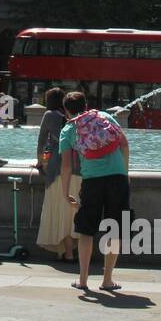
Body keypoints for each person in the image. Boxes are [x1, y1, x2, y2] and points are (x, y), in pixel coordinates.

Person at [59, 91, 130, 291]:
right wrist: (124, 173)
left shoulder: (68, 129)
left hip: (91, 181)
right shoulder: (104, 117)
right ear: (86, 104)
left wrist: (65, 193)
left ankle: (83, 279)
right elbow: (124, 144)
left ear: (66, 110)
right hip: (117, 179)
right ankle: (107, 280)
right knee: (114, 230)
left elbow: (66, 166)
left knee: (86, 230)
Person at [35, 87, 76, 261]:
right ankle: (70, 250)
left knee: (60, 211)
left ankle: (67, 251)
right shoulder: (73, 117)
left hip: (58, 169)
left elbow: (42, 139)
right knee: (73, 212)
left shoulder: (50, 115)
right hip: (79, 168)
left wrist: (39, 160)